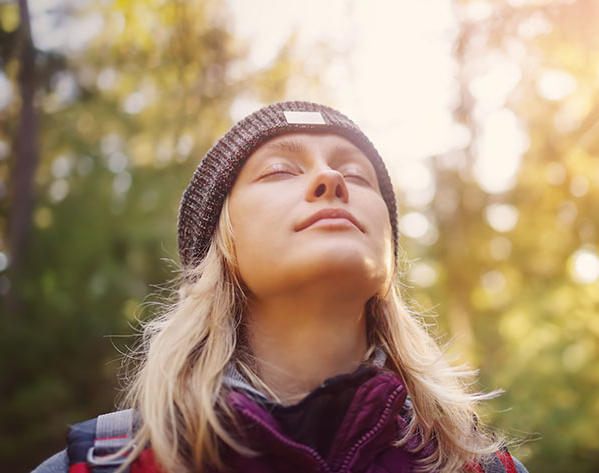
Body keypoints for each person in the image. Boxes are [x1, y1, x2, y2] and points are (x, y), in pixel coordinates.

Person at [32, 101, 528, 473]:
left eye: (357, 174)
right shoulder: (101, 465)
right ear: (220, 246)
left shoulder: (480, 466)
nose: (331, 178)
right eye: (280, 170)